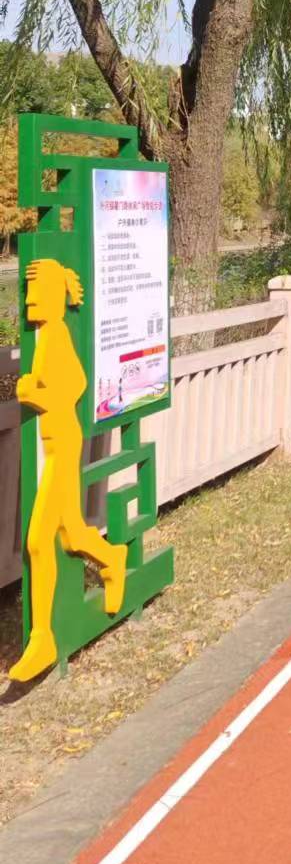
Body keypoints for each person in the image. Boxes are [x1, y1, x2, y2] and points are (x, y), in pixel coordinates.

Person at [9, 259, 127, 682]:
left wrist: (32, 394)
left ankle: (43, 637)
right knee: (72, 533)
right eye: (29, 293)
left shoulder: (56, 334)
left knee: (39, 539)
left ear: (59, 296)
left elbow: (75, 385)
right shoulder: (46, 335)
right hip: (56, 443)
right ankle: (112, 557)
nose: (31, 300)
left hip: (63, 446)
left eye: (39, 292)